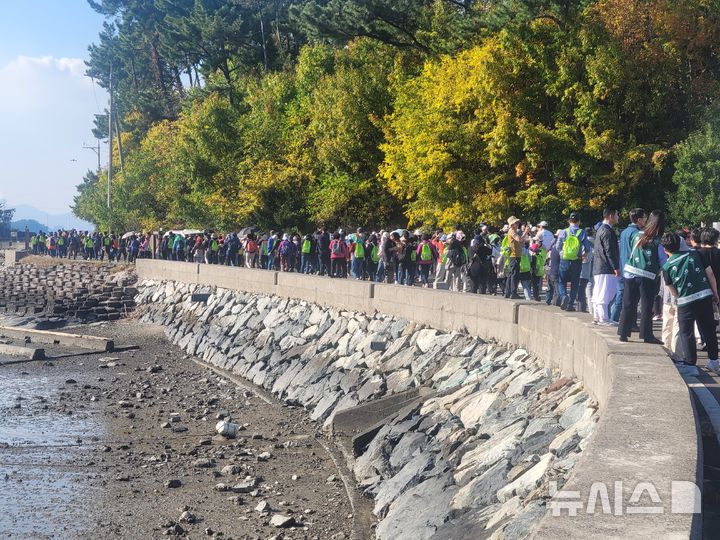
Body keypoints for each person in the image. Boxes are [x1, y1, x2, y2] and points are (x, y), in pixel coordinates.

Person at [661, 232, 720, 373]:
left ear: (665, 249)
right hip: (705, 296)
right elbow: (710, 274)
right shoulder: (696, 254)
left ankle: (690, 364)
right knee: (709, 329)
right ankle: (714, 361)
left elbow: (672, 290)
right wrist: (715, 293)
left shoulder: (666, 267)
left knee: (686, 332)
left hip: (685, 301)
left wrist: (678, 299)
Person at [618, 210, 666, 343]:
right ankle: (646, 335)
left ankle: (623, 332)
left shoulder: (636, 235)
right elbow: (663, 261)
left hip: (630, 272)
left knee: (628, 303)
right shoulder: (657, 240)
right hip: (647, 276)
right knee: (646, 306)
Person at [611, 209, 647, 322]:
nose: (646, 220)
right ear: (639, 219)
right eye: (645, 218)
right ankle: (619, 320)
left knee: (621, 295)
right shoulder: (637, 233)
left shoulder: (625, 232)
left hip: (622, 266)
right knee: (630, 298)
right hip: (632, 269)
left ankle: (615, 318)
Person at [556, 213, 592, 312]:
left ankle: (564, 296)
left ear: (569, 221)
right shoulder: (582, 232)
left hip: (565, 259)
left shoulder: (563, 232)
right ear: (579, 221)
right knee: (575, 283)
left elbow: (557, 246)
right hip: (577, 260)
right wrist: (583, 256)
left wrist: (562, 253)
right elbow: (588, 248)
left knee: (561, 281)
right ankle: (570, 304)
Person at [592, 208, 620, 325]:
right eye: (617, 214)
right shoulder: (607, 231)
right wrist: (615, 267)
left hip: (599, 266)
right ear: (610, 215)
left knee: (599, 292)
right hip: (605, 267)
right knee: (605, 292)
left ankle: (597, 316)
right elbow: (609, 250)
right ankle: (603, 318)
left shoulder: (601, 230)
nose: (618, 217)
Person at [504, 217, 530, 299]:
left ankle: (507, 292)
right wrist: (526, 232)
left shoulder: (512, 231)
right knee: (514, 274)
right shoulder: (512, 231)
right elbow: (519, 240)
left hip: (514, 255)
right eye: (516, 222)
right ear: (512, 224)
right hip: (514, 255)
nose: (518, 224)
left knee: (512, 274)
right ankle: (513, 292)